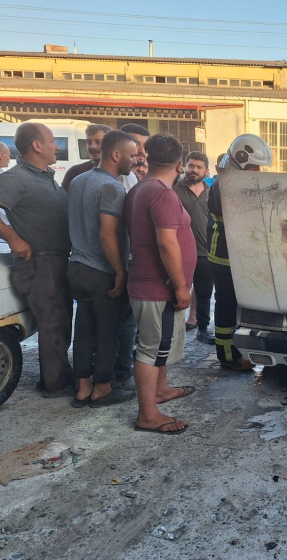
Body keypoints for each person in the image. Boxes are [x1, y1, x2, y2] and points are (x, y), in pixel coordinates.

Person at [124, 133, 196, 434]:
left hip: (148, 282)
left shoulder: (139, 189)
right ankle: (148, 414)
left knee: (159, 345)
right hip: (158, 286)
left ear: (148, 158)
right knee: (150, 349)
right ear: (180, 165)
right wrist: (180, 286)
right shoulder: (162, 194)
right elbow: (167, 243)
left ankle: (161, 389)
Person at [0, 123, 74, 396]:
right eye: (53, 141)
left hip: (56, 262)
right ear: (37, 145)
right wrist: (12, 238)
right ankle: (55, 384)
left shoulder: (45, 176)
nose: (57, 146)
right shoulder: (15, 178)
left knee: (60, 322)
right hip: (39, 265)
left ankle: (58, 376)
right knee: (53, 323)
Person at [67, 130, 138, 408]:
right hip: (101, 270)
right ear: (116, 154)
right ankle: (103, 388)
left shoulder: (78, 181)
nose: (134, 160)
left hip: (77, 267)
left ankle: (82, 387)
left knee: (83, 327)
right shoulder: (111, 187)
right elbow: (108, 235)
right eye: (131, 155)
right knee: (108, 330)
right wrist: (120, 271)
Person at [207, 134, 272, 371]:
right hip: (224, 255)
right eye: (255, 167)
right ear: (242, 161)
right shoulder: (225, 185)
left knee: (235, 306)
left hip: (235, 254)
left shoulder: (233, 180)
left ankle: (236, 349)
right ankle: (227, 357)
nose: (258, 172)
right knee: (226, 305)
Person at [113, 123, 151, 389]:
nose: (140, 152)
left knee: (128, 322)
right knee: (122, 321)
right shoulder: (110, 180)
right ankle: (120, 372)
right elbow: (108, 230)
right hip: (115, 260)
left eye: (143, 148)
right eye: (136, 145)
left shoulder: (131, 178)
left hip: (126, 258)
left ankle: (118, 367)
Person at [174, 151, 214, 344]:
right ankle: (171, 332)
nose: (194, 170)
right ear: (185, 166)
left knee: (204, 292)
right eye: (191, 165)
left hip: (206, 253)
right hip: (180, 253)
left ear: (206, 171)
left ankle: (202, 329)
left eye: (199, 167)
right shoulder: (174, 190)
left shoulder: (210, 192)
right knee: (175, 292)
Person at [61, 124, 112, 192]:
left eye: (98, 142)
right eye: (89, 142)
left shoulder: (122, 172)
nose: (92, 146)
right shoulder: (75, 172)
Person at [119, 124, 150, 191]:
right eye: (136, 144)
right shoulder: (115, 177)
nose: (142, 151)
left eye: (145, 145)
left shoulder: (135, 178)